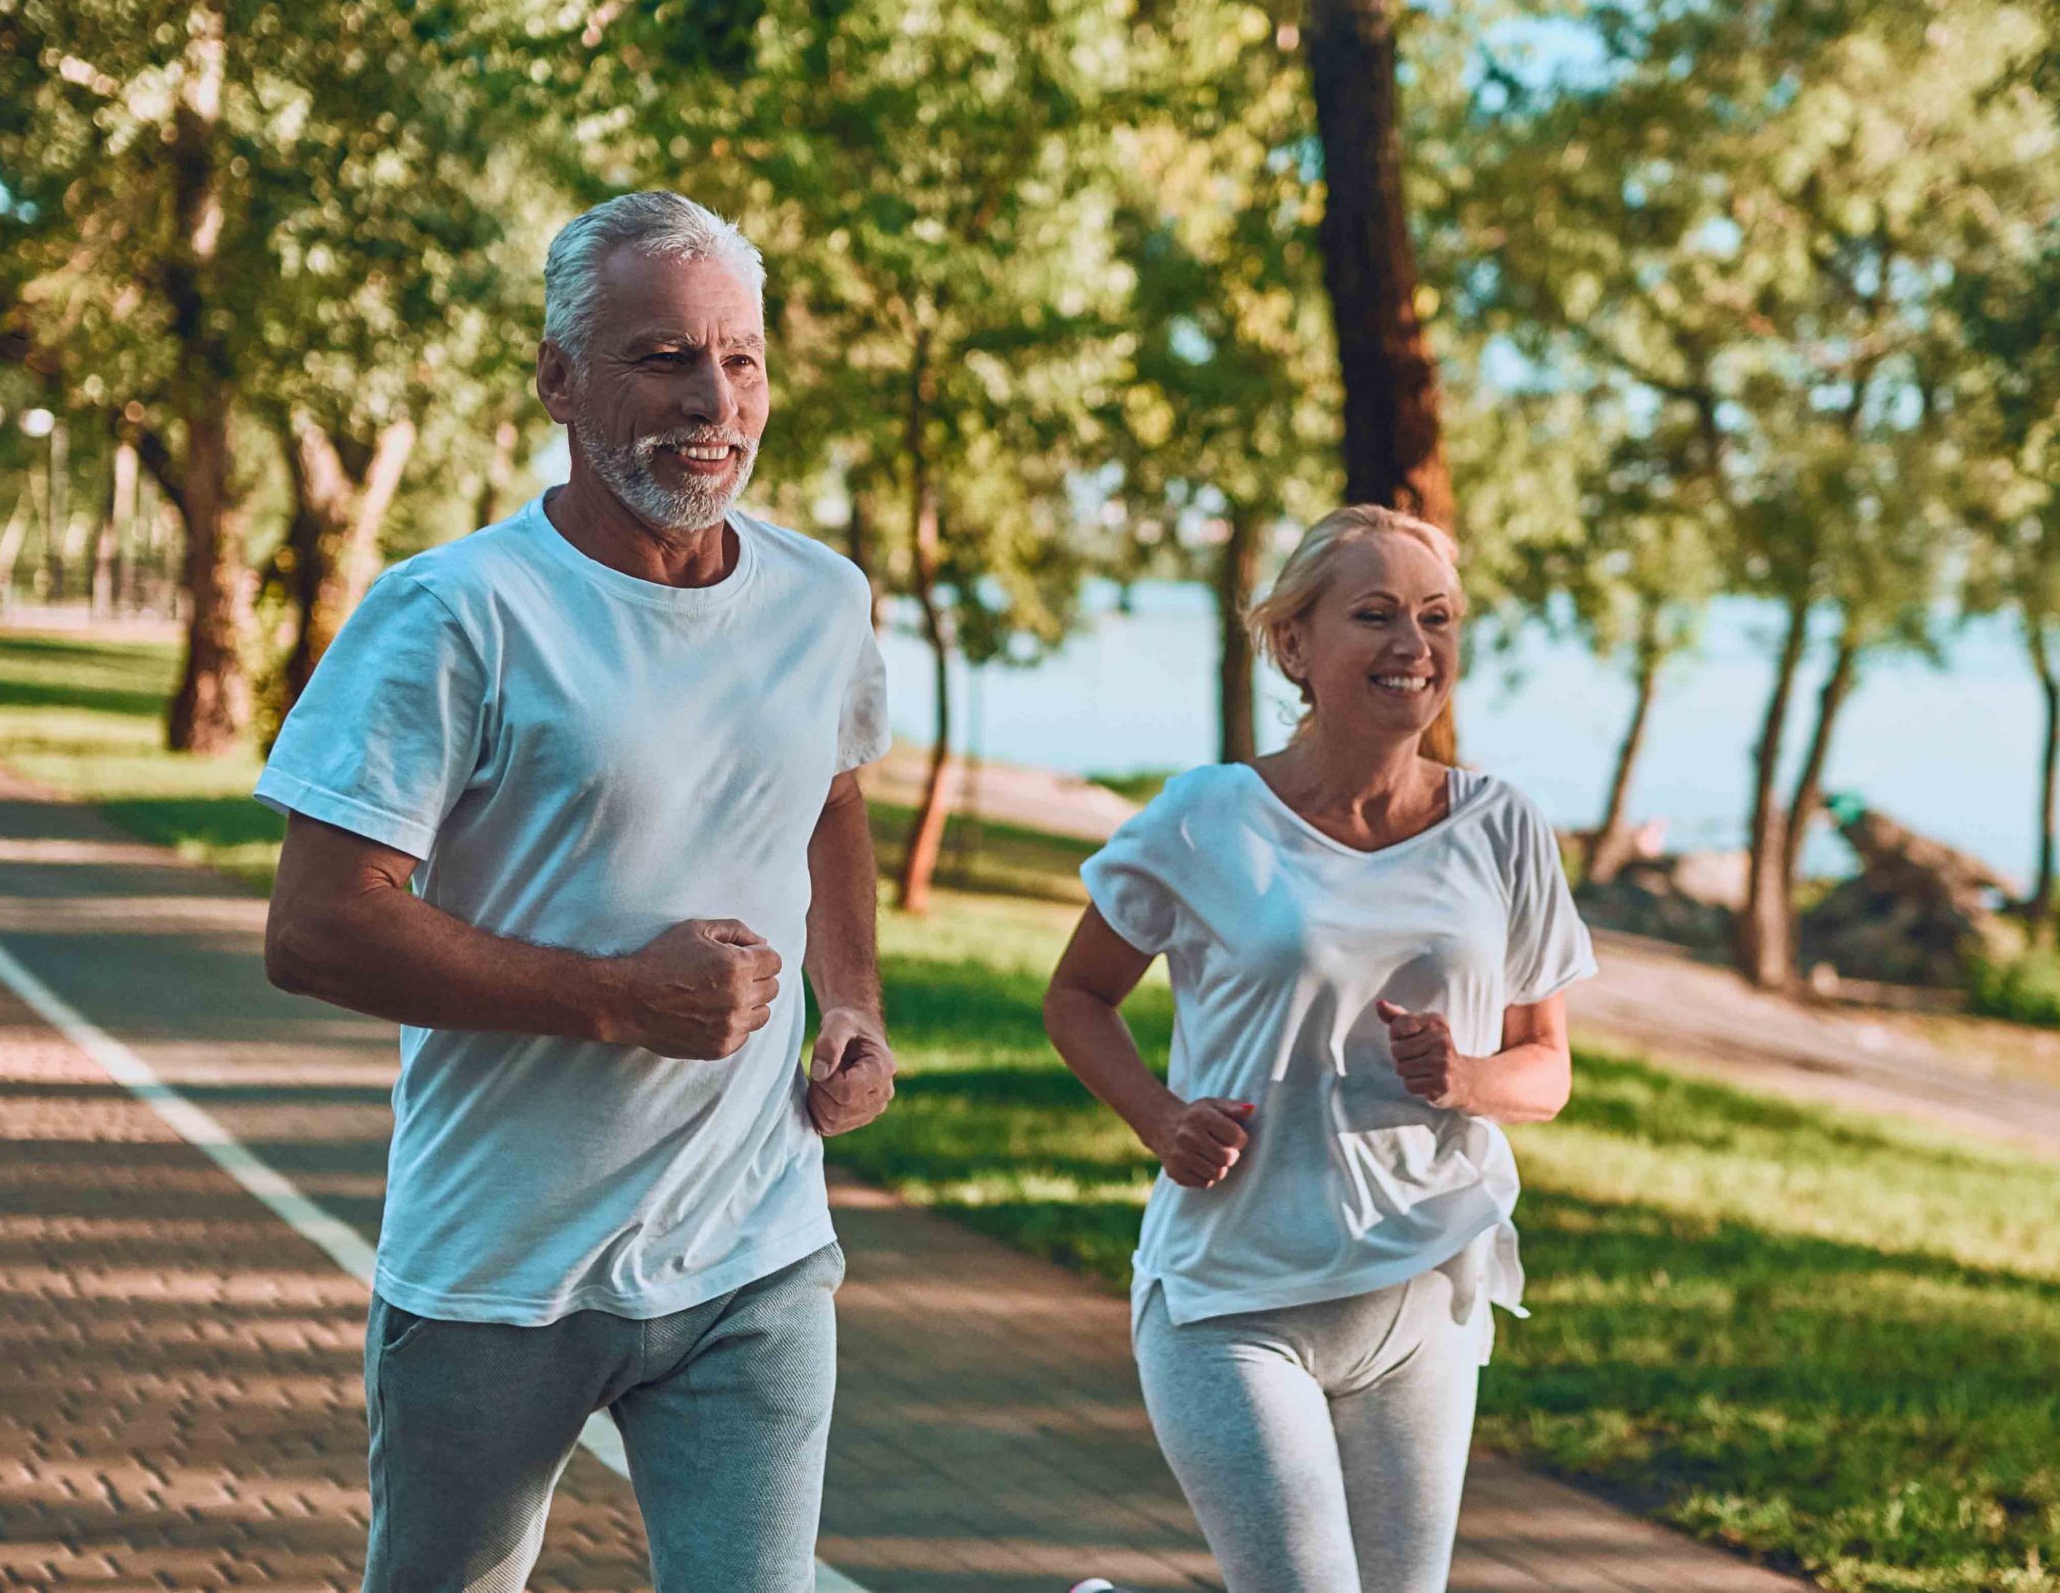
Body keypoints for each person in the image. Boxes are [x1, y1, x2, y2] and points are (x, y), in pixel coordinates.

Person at [256, 191, 894, 1592]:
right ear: (556, 375)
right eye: (663, 357)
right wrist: (617, 998)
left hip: (754, 1252)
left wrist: (852, 1004)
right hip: (500, 1265)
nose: (713, 400)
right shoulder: (456, 610)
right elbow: (314, 925)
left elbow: (833, 791)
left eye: (741, 359)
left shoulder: (823, 600)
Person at [1044, 506, 1595, 1593]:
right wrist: (1158, 1117)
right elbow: (1077, 996)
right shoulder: (1206, 816)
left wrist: (1469, 1076)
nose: (1414, 645)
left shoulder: (1502, 825)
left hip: (1420, 1294)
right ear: (1294, 643)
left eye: (1436, 618)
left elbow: (1547, 1063)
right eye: (1376, 614)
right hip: (1234, 1300)